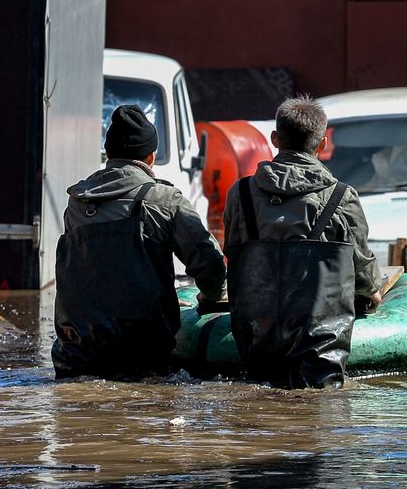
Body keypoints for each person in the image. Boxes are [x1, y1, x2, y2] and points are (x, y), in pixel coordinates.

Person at [54, 105, 227, 379]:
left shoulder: (77, 203)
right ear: (151, 157)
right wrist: (212, 297)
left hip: (77, 353)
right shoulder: (164, 200)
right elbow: (209, 264)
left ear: (108, 154)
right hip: (141, 355)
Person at [222, 96, 383, 389]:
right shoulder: (343, 197)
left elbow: (232, 253)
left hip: (255, 338)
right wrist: (372, 290)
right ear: (322, 145)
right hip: (321, 349)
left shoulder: (240, 193)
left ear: (274, 139)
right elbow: (361, 264)